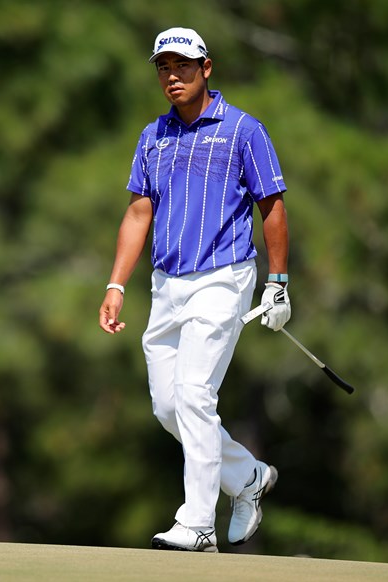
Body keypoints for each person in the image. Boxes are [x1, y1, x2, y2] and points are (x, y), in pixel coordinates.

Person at [98, 27, 291, 552]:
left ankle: (197, 522)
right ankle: (247, 478)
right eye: (163, 67)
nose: (172, 75)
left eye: (183, 65)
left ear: (207, 68)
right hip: (167, 285)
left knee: (193, 395)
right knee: (168, 407)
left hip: (224, 278)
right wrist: (117, 283)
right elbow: (139, 213)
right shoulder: (152, 136)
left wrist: (277, 282)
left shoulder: (243, 131)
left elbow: (271, 205)